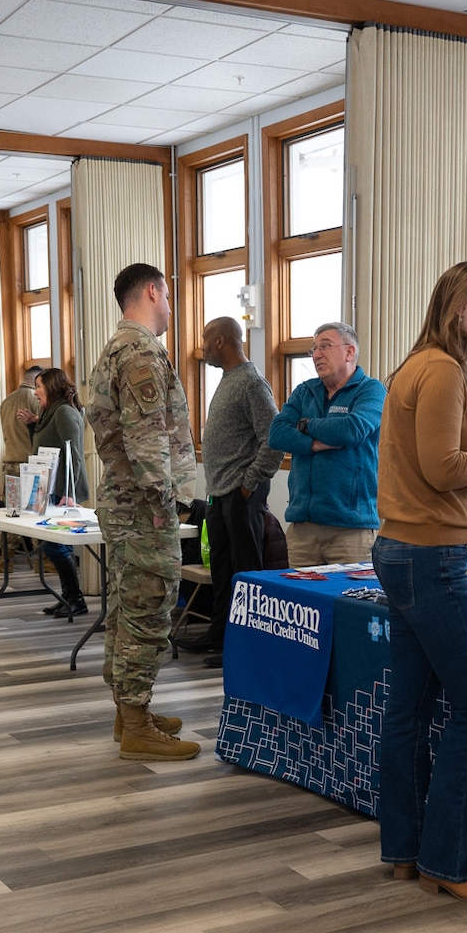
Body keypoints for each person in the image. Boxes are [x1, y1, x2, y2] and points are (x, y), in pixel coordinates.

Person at [374, 261, 467, 903]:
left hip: (404, 550)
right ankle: (448, 862)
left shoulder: (417, 365)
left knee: (407, 710)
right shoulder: (443, 369)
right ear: (460, 304)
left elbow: (434, 467)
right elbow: (441, 469)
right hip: (431, 557)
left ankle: (407, 852)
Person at [86, 262, 200, 760]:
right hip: (143, 508)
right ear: (153, 292)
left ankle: (127, 712)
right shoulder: (139, 355)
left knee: (127, 606)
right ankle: (135, 724)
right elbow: (147, 442)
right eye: (169, 296)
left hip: (126, 504)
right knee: (148, 608)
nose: (171, 306)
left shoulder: (119, 349)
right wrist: (163, 509)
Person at [193, 315, 282, 659]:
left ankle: (248, 649)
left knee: (246, 574)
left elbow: (273, 439)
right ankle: (219, 635)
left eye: (205, 340)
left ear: (220, 341)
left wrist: (250, 483)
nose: (201, 349)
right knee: (222, 570)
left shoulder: (251, 382)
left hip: (241, 495)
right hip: (220, 492)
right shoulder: (229, 379)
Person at [267, 320, 385, 567]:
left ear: (349, 351)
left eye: (325, 346)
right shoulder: (304, 391)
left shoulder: (371, 391)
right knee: (299, 602)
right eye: (314, 349)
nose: (316, 355)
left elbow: (352, 430)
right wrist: (313, 445)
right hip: (303, 529)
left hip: (351, 530)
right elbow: (276, 433)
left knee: (348, 602)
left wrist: (306, 424)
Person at [30, 366, 91, 618]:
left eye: (39, 387)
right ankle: (68, 597)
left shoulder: (65, 412)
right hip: (47, 488)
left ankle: (76, 598)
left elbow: (74, 455)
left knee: (54, 545)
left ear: (51, 388)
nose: (35, 393)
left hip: (62, 491)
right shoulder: (49, 412)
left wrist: (68, 491)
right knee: (49, 544)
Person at [0, 364, 41, 571]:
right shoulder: (35, 399)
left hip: (10, 464)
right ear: (37, 381)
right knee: (37, 513)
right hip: (31, 464)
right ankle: (44, 560)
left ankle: (7, 560)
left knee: (11, 512)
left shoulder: (7, 401)